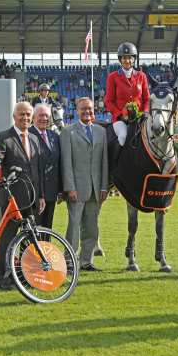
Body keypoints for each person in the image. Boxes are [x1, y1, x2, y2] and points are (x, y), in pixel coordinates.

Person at [0, 101, 45, 290]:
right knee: (8, 239)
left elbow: (38, 170)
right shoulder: (4, 137)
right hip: (12, 198)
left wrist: (41, 195)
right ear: (14, 116)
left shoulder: (35, 138)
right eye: (22, 114)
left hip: (32, 198)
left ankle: (28, 276)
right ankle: (3, 278)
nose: (25, 118)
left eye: (28, 114)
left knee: (31, 238)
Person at [60, 97, 108, 271]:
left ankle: (86, 261)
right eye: (83, 109)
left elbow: (104, 163)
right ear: (76, 111)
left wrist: (104, 187)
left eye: (90, 109)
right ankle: (68, 261)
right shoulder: (68, 132)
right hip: (76, 189)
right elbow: (66, 163)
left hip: (96, 189)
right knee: (74, 227)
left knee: (92, 227)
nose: (87, 112)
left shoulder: (101, 132)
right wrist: (69, 187)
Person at [104, 42, 150, 146]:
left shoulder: (141, 76)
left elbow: (146, 98)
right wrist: (120, 114)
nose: (127, 61)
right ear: (120, 59)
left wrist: (145, 113)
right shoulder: (113, 77)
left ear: (134, 59)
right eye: (124, 58)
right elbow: (108, 101)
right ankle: (116, 161)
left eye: (130, 58)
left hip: (140, 118)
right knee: (123, 136)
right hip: (120, 119)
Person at [29, 103, 61, 230]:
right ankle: (28, 251)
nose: (44, 118)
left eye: (47, 116)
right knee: (33, 230)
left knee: (48, 229)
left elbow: (58, 164)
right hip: (34, 193)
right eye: (41, 115)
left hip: (51, 192)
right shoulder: (27, 135)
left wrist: (61, 189)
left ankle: (45, 250)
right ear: (33, 117)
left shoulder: (54, 136)